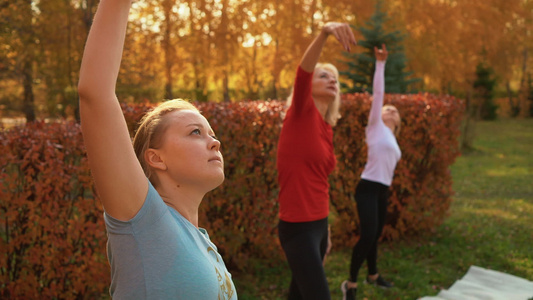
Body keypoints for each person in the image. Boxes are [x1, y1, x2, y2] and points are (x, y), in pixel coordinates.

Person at [77, 0, 237, 299]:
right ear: (155, 158)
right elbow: (95, 93)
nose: (214, 142)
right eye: (195, 132)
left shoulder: (202, 241)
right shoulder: (144, 221)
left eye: (211, 133)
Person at [276, 22, 356, 300]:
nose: (332, 80)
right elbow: (303, 71)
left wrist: (326, 231)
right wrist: (324, 33)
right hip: (297, 229)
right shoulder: (300, 113)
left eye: (334, 78)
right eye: (324, 76)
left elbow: (320, 181)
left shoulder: (325, 127)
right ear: (310, 85)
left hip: (318, 226)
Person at [340, 44, 401, 300]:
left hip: (382, 190)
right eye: (387, 109)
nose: (389, 110)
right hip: (367, 187)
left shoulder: (393, 139)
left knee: (375, 234)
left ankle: (373, 275)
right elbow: (378, 94)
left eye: (394, 110)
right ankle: (350, 284)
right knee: (367, 235)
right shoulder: (375, 127)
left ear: (398, 121)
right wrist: (380, 64)